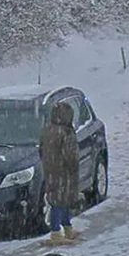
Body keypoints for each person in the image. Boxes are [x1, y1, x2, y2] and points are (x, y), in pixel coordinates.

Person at [39, 102, 80, 244]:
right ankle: (56, 231)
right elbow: (70, 155)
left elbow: (41, 150)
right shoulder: (66, 132)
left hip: (50, 169)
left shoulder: (47, 130)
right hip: (64, 171)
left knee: (56, 197)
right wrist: (73, 168)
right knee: (61, 200)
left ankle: (67, 227)